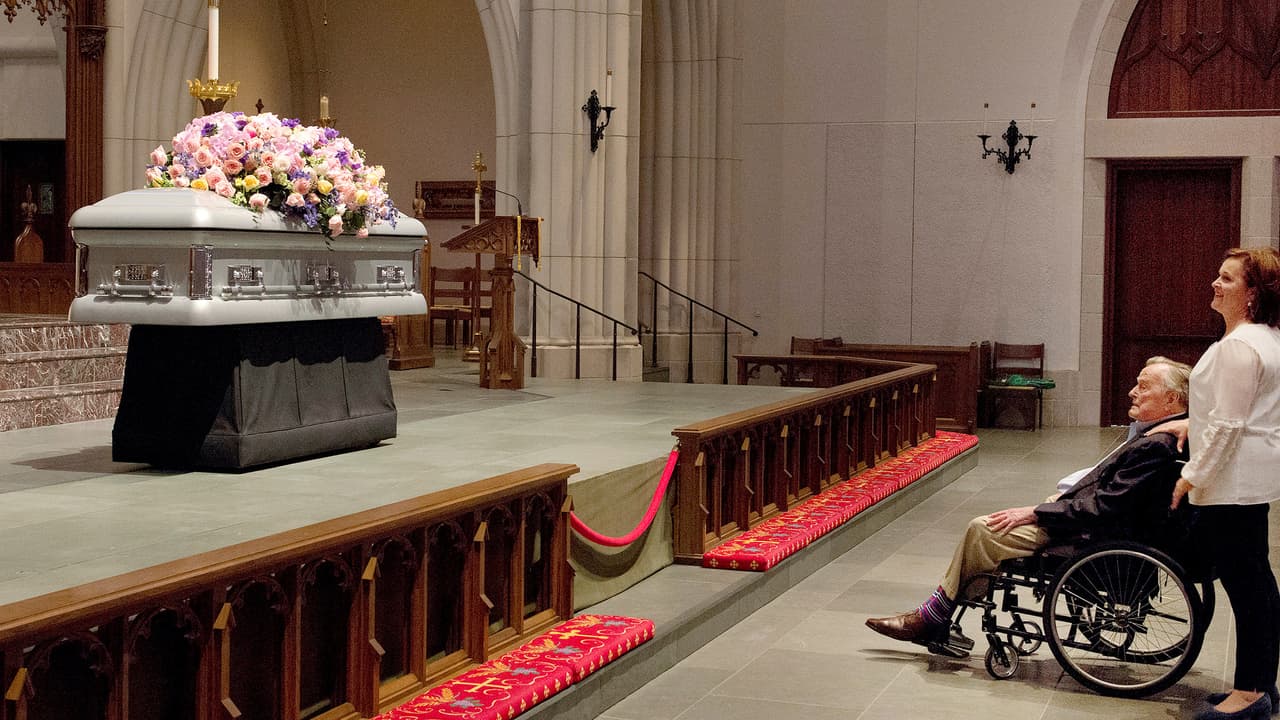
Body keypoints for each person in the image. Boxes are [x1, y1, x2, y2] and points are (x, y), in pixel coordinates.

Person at [865, 357, 1192, 656]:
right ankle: (941, 612)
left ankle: (933, 617)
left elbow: (1106, 507)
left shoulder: (1158, 445)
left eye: (1145, 386)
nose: (1133, 392)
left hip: (1091, 533)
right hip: (1097, 519)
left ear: (1173, 400)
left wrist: (1036, 512)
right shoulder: (1161, 434)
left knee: (983, 529)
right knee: (996, 528)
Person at [1164, 247, 1280, 720]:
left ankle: (1250, 694)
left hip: (1231, 482)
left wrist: (1190, 477)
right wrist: (1194, 421)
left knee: (1247, 586)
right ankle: (1261, 685)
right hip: (1252, 478)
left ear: (1252, 294)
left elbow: (1230, 425)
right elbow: (1244, 409)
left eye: (1227, 279)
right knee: (1258, 582)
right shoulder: (1267, 337)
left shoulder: (1238, 346)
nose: (1215, 283)